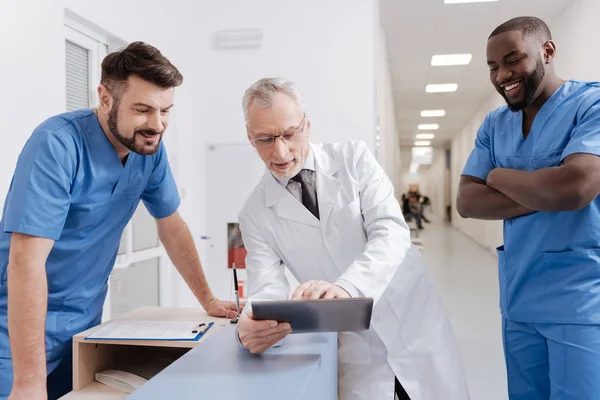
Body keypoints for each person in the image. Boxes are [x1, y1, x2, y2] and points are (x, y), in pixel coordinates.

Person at [0, 42, 238, 400]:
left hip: (83, 329)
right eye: (143, 110)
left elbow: (170, 225)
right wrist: (29, 381)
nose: (157, 124)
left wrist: (208, 299)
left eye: (165, 111)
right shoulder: (57, 144)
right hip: (13, 333)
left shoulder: (148, 152)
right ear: (106, 98)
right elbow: (25, 263)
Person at [235, 77, 470, 400]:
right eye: (265, 138)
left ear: (307, 125)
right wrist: (253, 320)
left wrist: (345, 288)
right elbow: (267, 288)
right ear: (250, 136)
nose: (280, 151)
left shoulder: (353, 160)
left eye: (290, 134)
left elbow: (391, 232)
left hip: (410, 319)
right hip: (354, 343)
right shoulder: (255, 212)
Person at [457, 16, 600, 400]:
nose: (502, 74)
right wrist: (542, 188)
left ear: (547, 52)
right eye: (492, 67)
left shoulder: (591, 104)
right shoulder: (495, 123)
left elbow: (576, 187)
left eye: (512, 60)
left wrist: (499, 176)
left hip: (581, 300)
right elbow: (468, 201)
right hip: (518, 299)